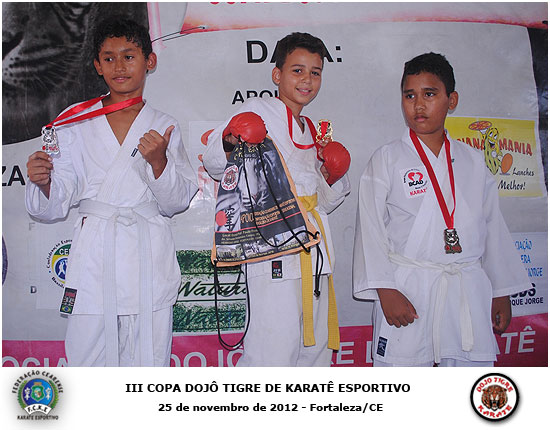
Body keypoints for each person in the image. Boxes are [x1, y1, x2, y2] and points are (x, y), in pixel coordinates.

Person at [25, 16, 198, 366]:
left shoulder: (164, 125)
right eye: (109, 58)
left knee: (148, 357)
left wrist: (159, 163)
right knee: (88, 359)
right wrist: (44, 183)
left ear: (149, 61)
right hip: (95, 255)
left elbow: (177, 201)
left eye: (129, 56)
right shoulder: (74, 121)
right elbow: (57, 199)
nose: (119, 66)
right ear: (97, 65)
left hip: (146, 253)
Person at [353, 52, 531, 367]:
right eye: (409, 95)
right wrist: (385, 289)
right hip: (408, 286)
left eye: (430, 94)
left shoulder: (473, 161)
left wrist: (500, 289)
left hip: (465, 286)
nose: (418, 105)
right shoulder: (387, 159)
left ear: (452, 100)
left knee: (467, 374)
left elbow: (491, 226)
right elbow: (370, 228)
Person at [202, 32, 351, 366]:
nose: (307, 80)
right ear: (277, 74)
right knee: (272, 351)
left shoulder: (313, 131)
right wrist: (230, 140)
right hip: (272, 249)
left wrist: (334, 176)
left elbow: (324, 203)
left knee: (315, 352)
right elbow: (214, 163)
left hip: (315, 251)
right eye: (298, 70)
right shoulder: (259, 109)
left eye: (315, 72)